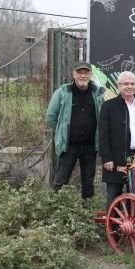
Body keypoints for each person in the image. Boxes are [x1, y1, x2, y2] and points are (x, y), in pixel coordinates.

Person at [46, 61, 105, 199]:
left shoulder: (97, 93)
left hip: (90, 147)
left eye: (86, 73)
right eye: (80, 72)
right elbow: (50, 117)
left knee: (88, 183)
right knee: (60, 181)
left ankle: (86, 211)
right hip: (69, 146)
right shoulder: (63, 92)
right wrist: (62, 132)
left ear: (90, 75)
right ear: (74, 74)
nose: (83, 75)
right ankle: (54, 209)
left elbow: (103, 117)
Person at [99, 71, 135, 210]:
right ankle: (113, 228)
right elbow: (103, 135)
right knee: (114, 198)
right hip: (115, 158)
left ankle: (132, 228)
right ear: (118, 86)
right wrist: (106, 158)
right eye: (126, 84)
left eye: (132, 84)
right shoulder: (108, 106)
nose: (129, 86)